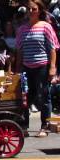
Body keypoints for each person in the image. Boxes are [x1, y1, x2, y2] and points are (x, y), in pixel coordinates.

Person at [16, 0, 59, 137]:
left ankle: (44, 126)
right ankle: (23, 126)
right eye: (28, 9)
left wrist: (52, 67)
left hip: (42, 66)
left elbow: (52, 49)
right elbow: (19, 51)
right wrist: (17, 69)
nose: (30, 11)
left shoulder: (46, 26)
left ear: (39, 10)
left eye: (33, 9)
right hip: (26, 67)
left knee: (44, 96)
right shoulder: (22, 29)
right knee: (25, 97)